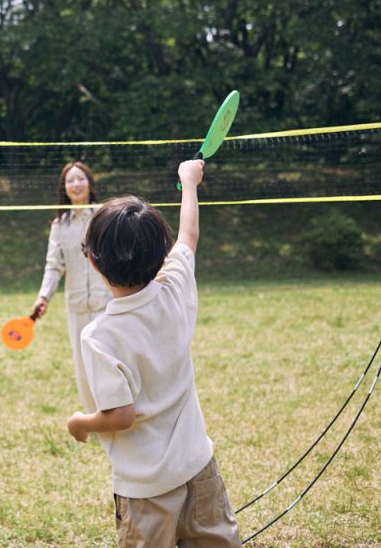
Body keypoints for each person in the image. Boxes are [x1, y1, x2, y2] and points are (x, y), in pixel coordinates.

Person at [66, 159, 239, 547]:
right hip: (200, 469)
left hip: (145, 489)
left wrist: (79, 422)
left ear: (92, 260)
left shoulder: (99, 335)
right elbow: (188, 236)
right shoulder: (174, 288)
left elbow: (120, 415)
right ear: (162, 256)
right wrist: (188, 182)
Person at [30, 160, 111, 412]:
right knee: (83, 362)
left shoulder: (103, 216)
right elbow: (54, 266)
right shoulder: (60, 225)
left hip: (108, 301)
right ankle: (96, 417)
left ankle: (118, 411)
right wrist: (44, 297)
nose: (76, 184)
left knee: (108, 359)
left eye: (81, 178)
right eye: (70, 180)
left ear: (90, 183)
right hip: (76, 304)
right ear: (63, 188)